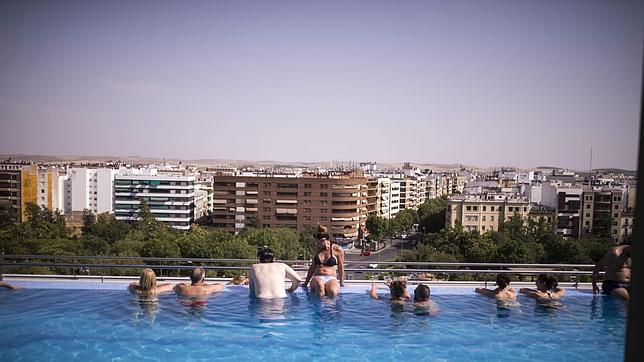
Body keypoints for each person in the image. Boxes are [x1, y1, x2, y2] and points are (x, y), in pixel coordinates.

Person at [303, 226, 345, 297]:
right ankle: (319, 307)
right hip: (317, 277)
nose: (317, 245)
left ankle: (329, 307)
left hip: (331, 278)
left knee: (333, 291)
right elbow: (312, 267)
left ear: (324, 240)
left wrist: (342, 283)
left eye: (318, 243)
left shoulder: (337, 249)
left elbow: (341, 267)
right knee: (320, 286)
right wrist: (305, 283)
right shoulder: (317, 250)